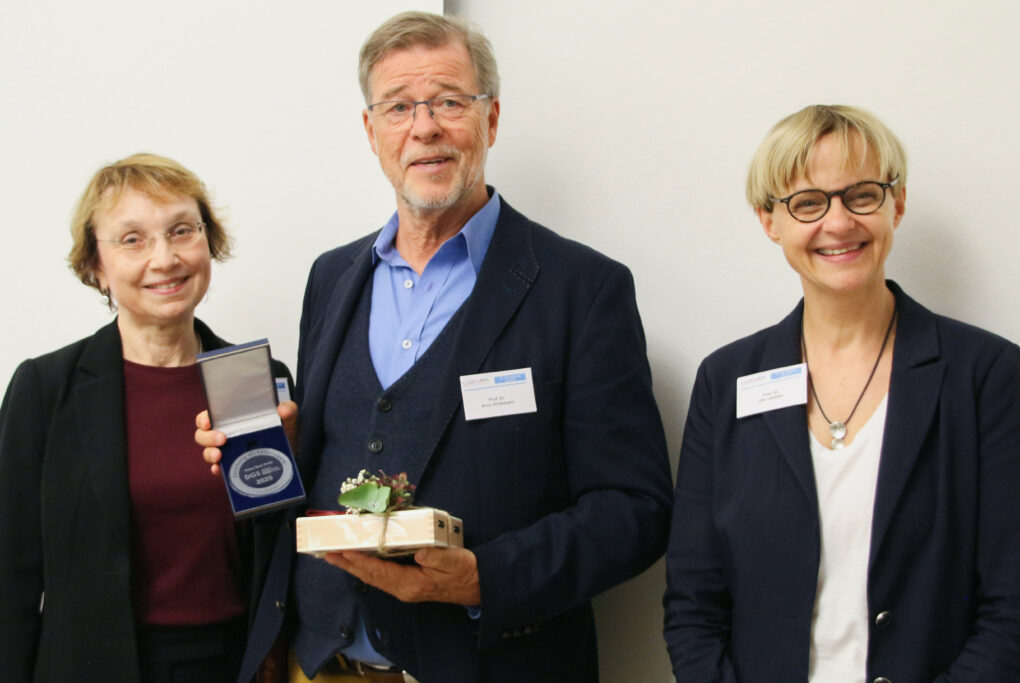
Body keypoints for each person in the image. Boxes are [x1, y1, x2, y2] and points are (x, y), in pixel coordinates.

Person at [198, 11, 672, 683]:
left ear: (492, 119)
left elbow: (636, 510)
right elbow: (344, 466)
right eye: (398, 107)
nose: (424, 127)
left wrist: (484, 578)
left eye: (450, 102)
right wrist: (281, 450)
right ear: (372, 131)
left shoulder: (582, 289)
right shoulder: (331, 277)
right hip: (316, 664)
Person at [662, 104, 1020, 682]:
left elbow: (1013, 610)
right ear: (768, 220)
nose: (837, 223)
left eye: (861, 195)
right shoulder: (726, 381)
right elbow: (693, 604)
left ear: (896, 204)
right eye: (807, 202)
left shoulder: (987, 375)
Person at [0, 153, 293, 682]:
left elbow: (276, 547)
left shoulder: (258, 378)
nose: (165, 258)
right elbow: (9, 579)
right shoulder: (46, 390)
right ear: (96, 265)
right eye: (132, 239)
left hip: (234, 666)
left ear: (209, 242)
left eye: (182, 231)